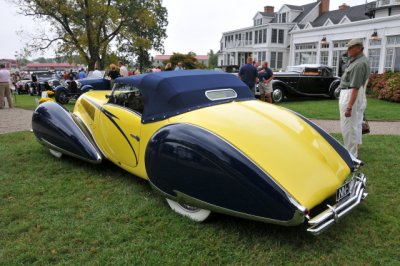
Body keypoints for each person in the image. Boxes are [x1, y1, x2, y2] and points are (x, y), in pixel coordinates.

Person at [339, 38, 370, 158]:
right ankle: (353, 152)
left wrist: (349, 107)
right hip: (354, 93)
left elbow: (355, 88)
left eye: (350, 47)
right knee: (355, 124)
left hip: (351, 94)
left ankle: (351, 155)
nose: (348, 50)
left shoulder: (359, 64)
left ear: (358, 48)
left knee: (348, 126)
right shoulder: (358, 60)